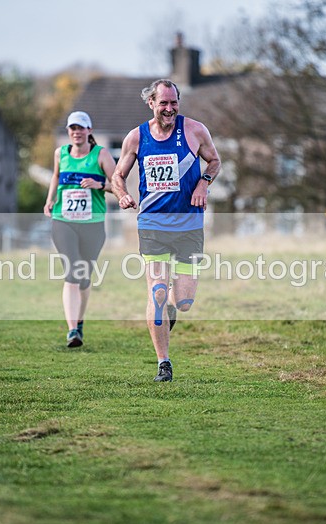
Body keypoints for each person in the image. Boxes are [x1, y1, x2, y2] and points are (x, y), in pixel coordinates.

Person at [110, 79, 221, 382]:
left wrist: (203, 183)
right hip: (153, 224)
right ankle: (164, 363)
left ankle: (169, 310)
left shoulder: (196, 131)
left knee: (182, 301)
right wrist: (121, 194)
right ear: (152, 103)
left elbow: (214, 161)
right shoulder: (136, 137)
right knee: (157, 291)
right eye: (164, 103)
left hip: (189, 226)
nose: (169, 109)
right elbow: (117, 176)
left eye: (174, 103)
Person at [43, 111, 116, 348]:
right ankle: (72, 330)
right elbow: (55, 176)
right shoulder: (60, 153)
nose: (77, 132)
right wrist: (50, 199)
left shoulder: (101, 155)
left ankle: (79, 321)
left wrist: (100, 184)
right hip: (63, 220)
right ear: (68, 131)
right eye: (72, 128)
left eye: (81, 128)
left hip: (92, 224)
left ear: (89, 131)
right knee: (72, 273)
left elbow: (118, 186)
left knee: (84, 276)